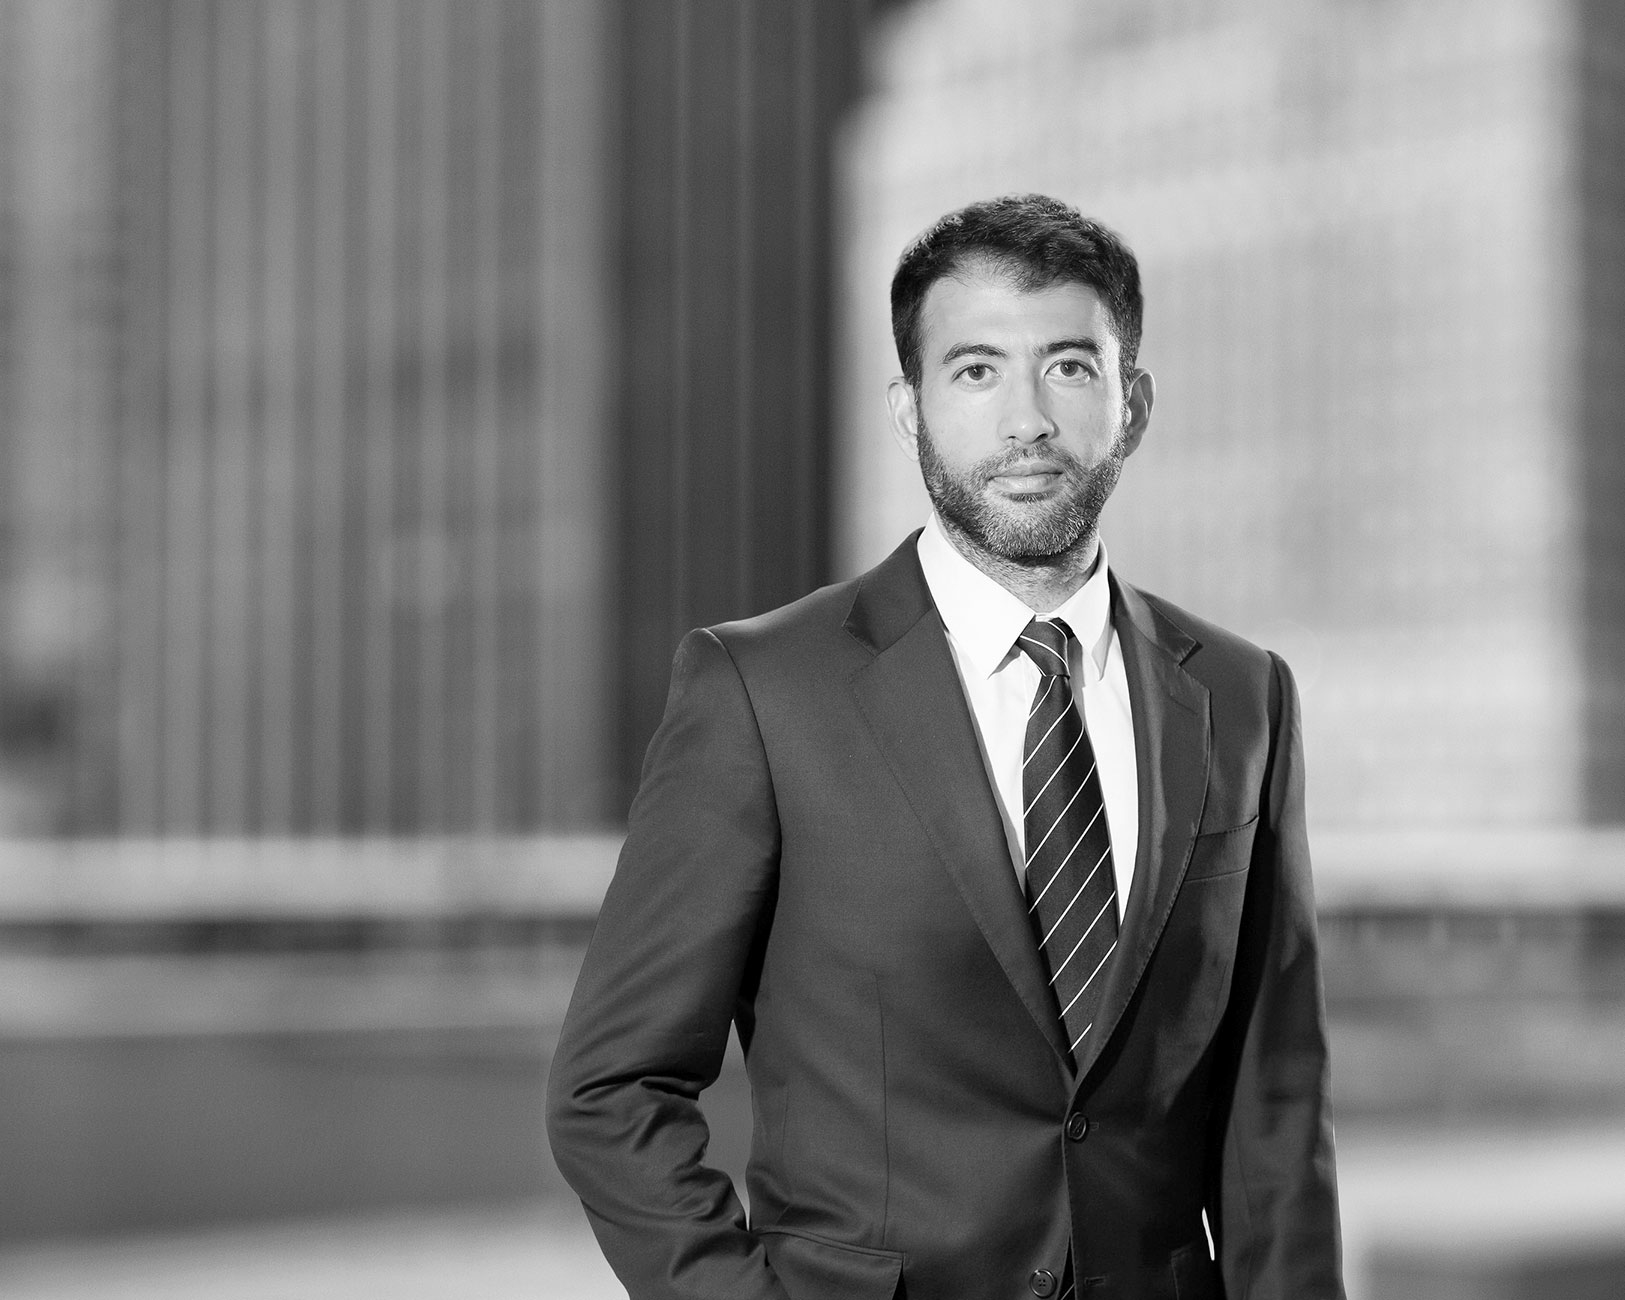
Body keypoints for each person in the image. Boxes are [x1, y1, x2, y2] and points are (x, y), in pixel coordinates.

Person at [547, 194, 1344, 1300]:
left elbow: (1274, 1106)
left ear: (1131, 404)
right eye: (975, 371)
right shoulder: (761, 692)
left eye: (1068, 367)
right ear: (907, 408)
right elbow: (611, 1088)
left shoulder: (1242, 697)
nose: (1025, 421)